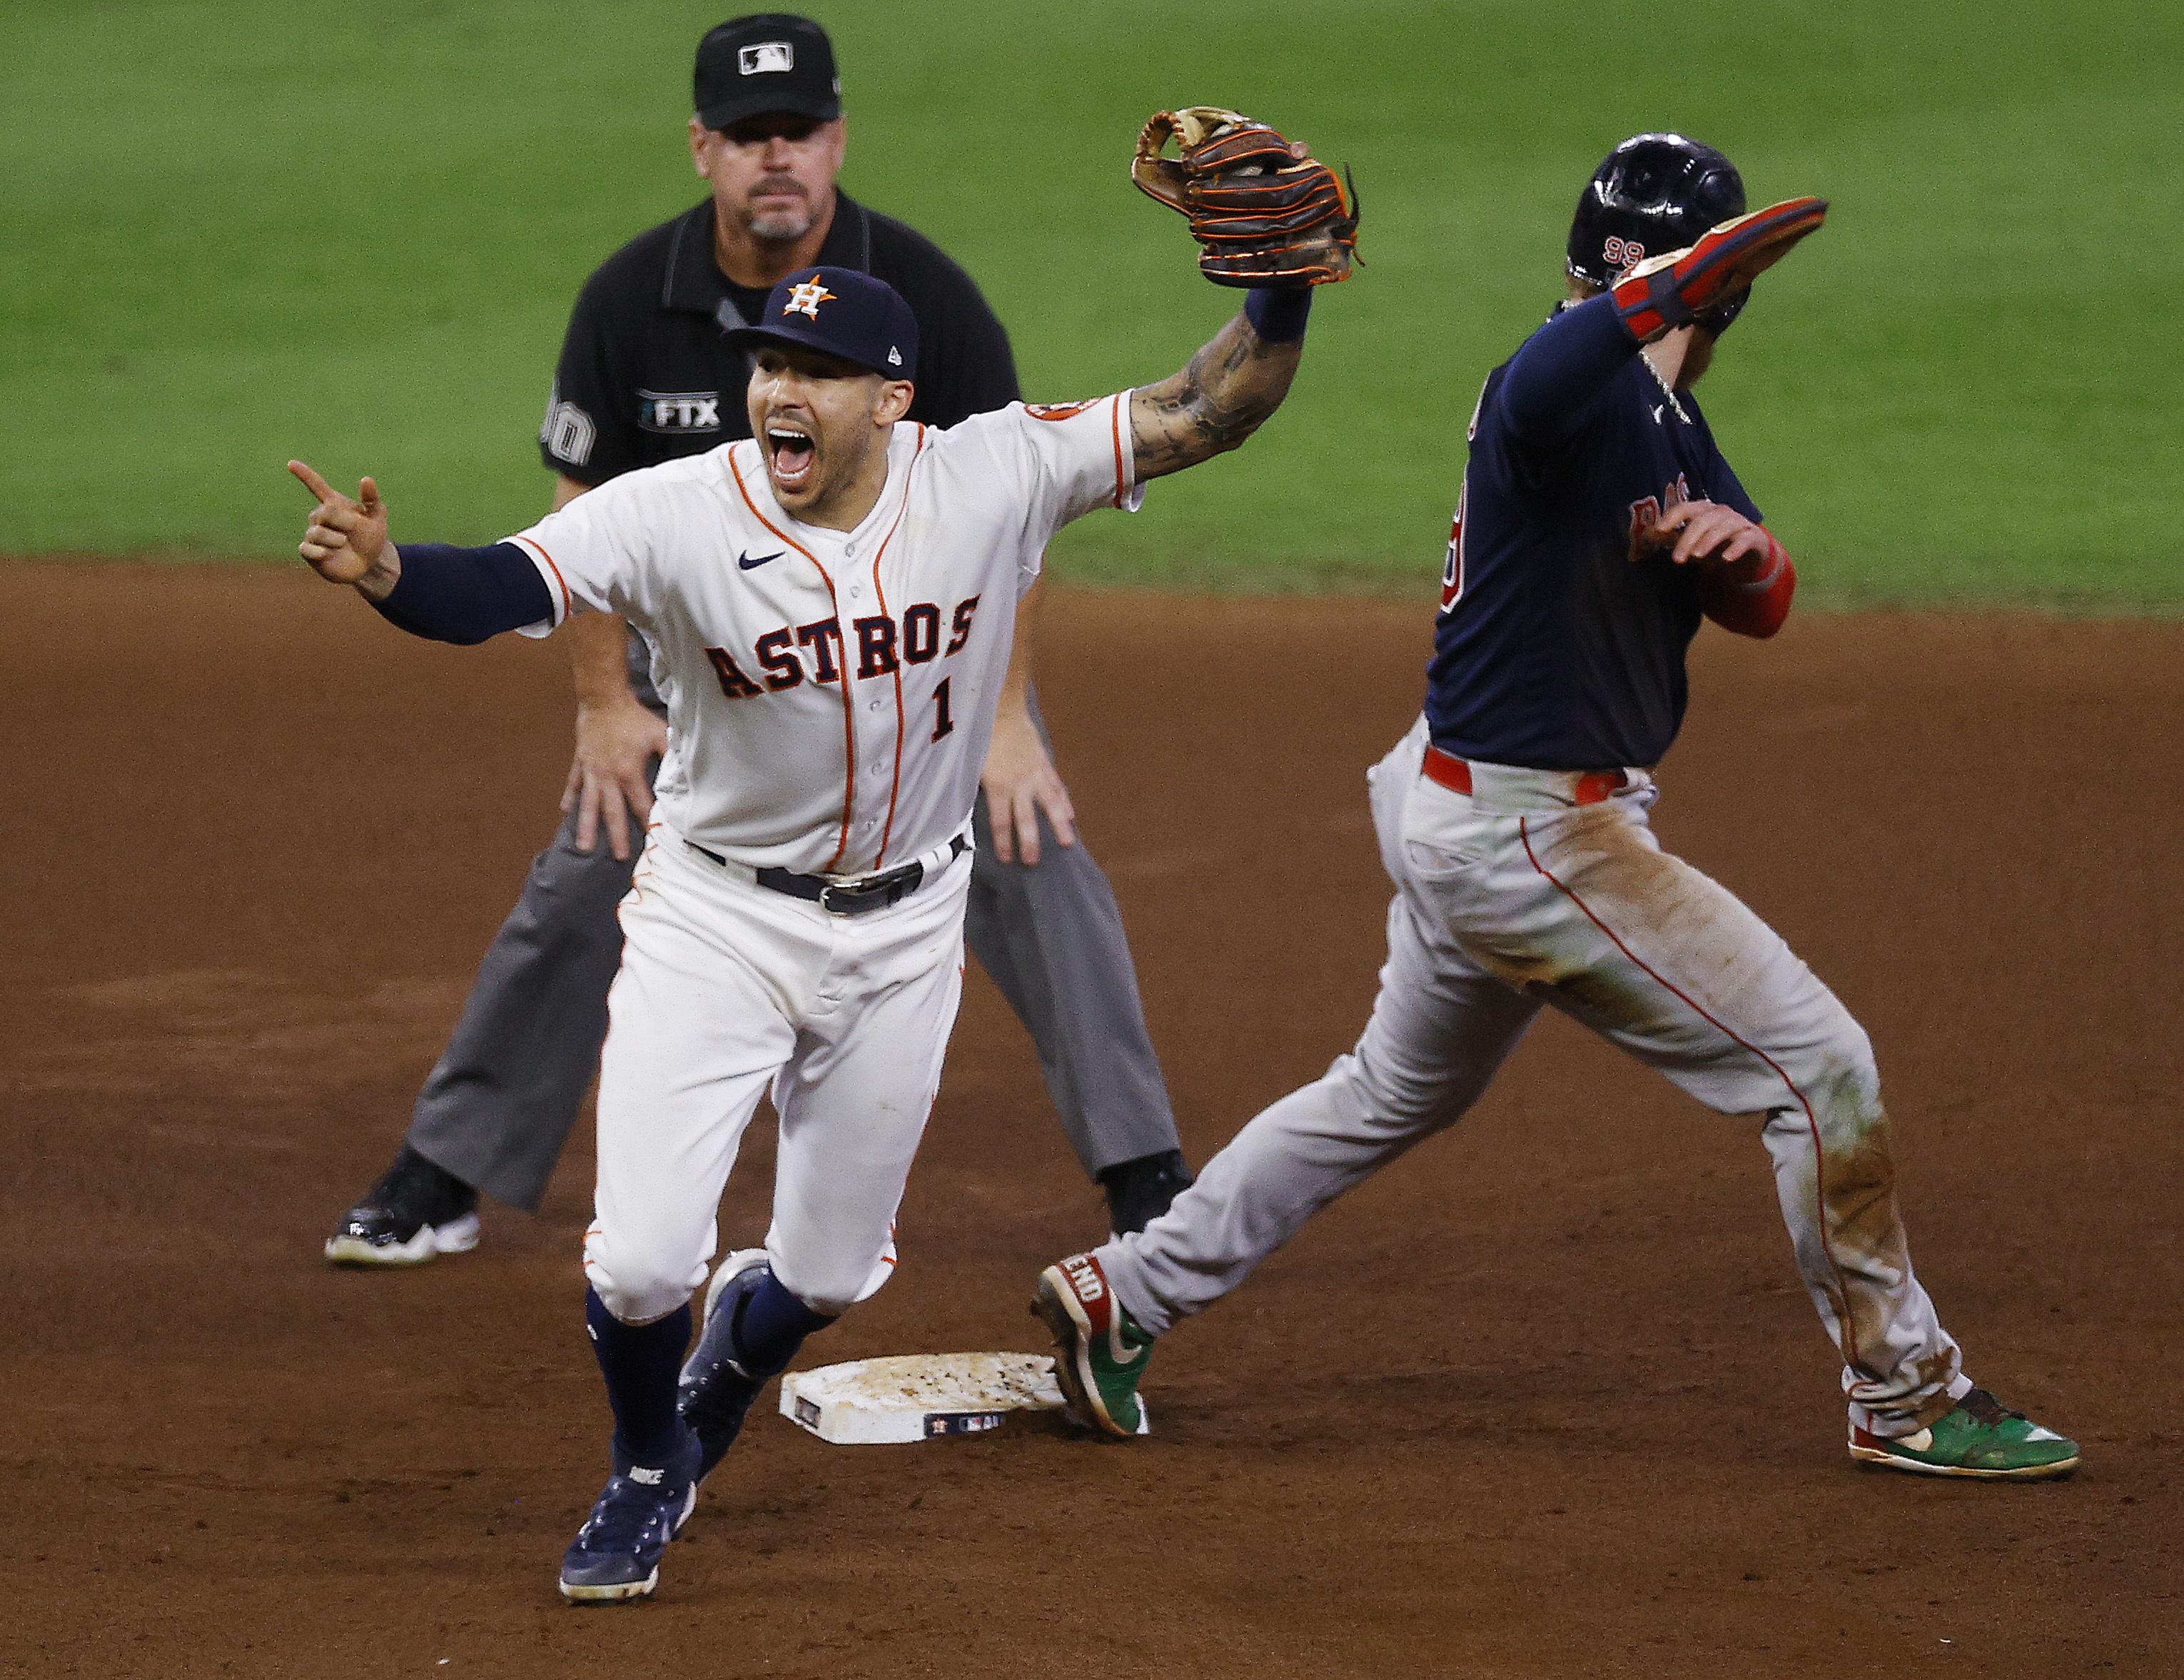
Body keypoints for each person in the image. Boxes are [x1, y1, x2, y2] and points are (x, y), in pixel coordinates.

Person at [289, 205, 1329, 1592]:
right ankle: (649, 1468)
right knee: (645, 1258)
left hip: (906, 936)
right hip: (716, 924)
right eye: (771, 364)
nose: (782, 389)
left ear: (892, 403)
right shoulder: (677, 512)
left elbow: (1211, 407)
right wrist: (389, 575)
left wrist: (1282, 297)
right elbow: (505, 584)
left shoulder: (990, 474)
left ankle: (733, 1352)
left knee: (829, 1277)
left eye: (819, 372)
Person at [1033, 134, 2081, 1482]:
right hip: (1534, 837)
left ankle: (1124, 1291)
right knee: (1822, 1071)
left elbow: (1763, 603)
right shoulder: (1557, 386)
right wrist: (1679, 281)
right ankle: (1906, 1393)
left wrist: (1744, 552)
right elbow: (1555, 364)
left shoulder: (1666, 417)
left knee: (1384, 1093)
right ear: (1708, 293)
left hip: (1457, 795)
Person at [324, 13, 1191, 1270]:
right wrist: (603, 708)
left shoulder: (923, 299)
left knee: (1031, 846)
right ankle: (448, 1169)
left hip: (927, 661)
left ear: (835, 140)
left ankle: (1145, 1176)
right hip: (708, 668)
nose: (773, 156)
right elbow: (585, 514)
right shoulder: (632, 299)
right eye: (746, 135)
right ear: (702, 149)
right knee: (592, 860)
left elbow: (1016, 512)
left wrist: (1006, 720)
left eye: (796, 132)